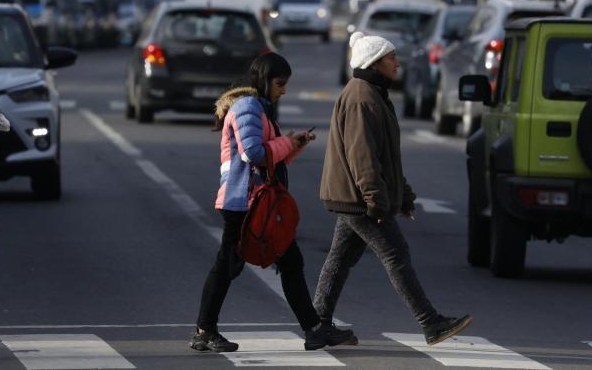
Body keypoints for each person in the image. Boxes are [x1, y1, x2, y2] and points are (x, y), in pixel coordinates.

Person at [313, 31, 472, 346]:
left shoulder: (372, 93)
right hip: (359, 198)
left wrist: (404, 196)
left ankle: (318, 325)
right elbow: (362, 156)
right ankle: (430, 323)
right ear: (375, 63)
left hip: (354, 195)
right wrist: (376, 201)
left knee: (340, 259)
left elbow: (387, 158)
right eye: (391, 58)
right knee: (395, 254)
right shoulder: (361, 98)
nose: (397, 64)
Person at [191, 52, 357, 353]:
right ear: (264, 80)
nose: (284, 90)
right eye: (280, 84)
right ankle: (205, 330)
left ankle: (314, 330)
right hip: (243, 201)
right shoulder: (247, 107)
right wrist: (286, 143)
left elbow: (270, 157)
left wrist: (293, 144)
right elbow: (253, 153)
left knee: (288, 262)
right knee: (228, 264)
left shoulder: (258, 107)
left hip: (255, 199)